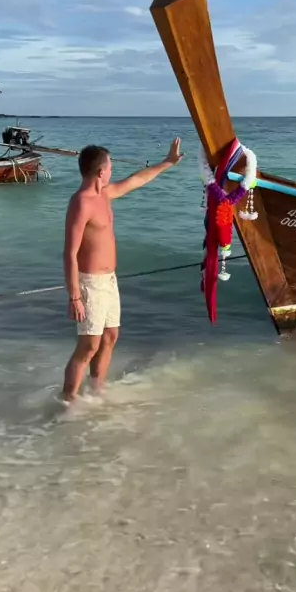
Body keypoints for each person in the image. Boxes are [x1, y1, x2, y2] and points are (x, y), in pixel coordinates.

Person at [61, 137, 183, 402]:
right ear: (100, 172)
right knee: (88, 346)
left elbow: (137, 180)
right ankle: (68, 401)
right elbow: (70, 253)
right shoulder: (81, 203)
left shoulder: (104, 194)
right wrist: (74, 297)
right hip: (90, 283)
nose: (112, 171)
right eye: (110, 167)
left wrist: (168, 162)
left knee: (110, 336)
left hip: (109, 280)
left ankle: (96, 390)